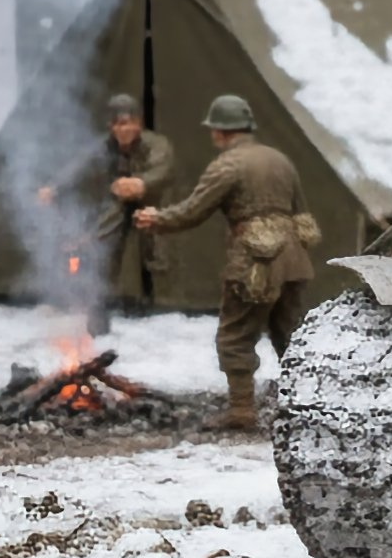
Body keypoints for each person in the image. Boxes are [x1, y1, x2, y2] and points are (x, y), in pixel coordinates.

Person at [133, 94, 316, 432]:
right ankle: (308, 406)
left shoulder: (227, 165)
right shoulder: (279, 159)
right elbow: (302, 214)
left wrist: (156, 218)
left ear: (220, 131)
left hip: (255, 262)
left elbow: (193, 210)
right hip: (293, 260)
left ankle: (242, 411)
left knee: (235, 335)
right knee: (291, 336)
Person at [37, 93, 175, 330]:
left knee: (157, 256)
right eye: (118, 124)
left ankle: (161, 307)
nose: (124, 129)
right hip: (119, 203)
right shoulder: (105, 146)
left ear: (139, 123)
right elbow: (79, 165)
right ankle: (98, 313)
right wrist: (54, 186)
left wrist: (141, 183)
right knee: (102, 251)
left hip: (153, 203)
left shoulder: (156, 144)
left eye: (129, 123)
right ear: (110, 126)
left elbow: (163, 169)